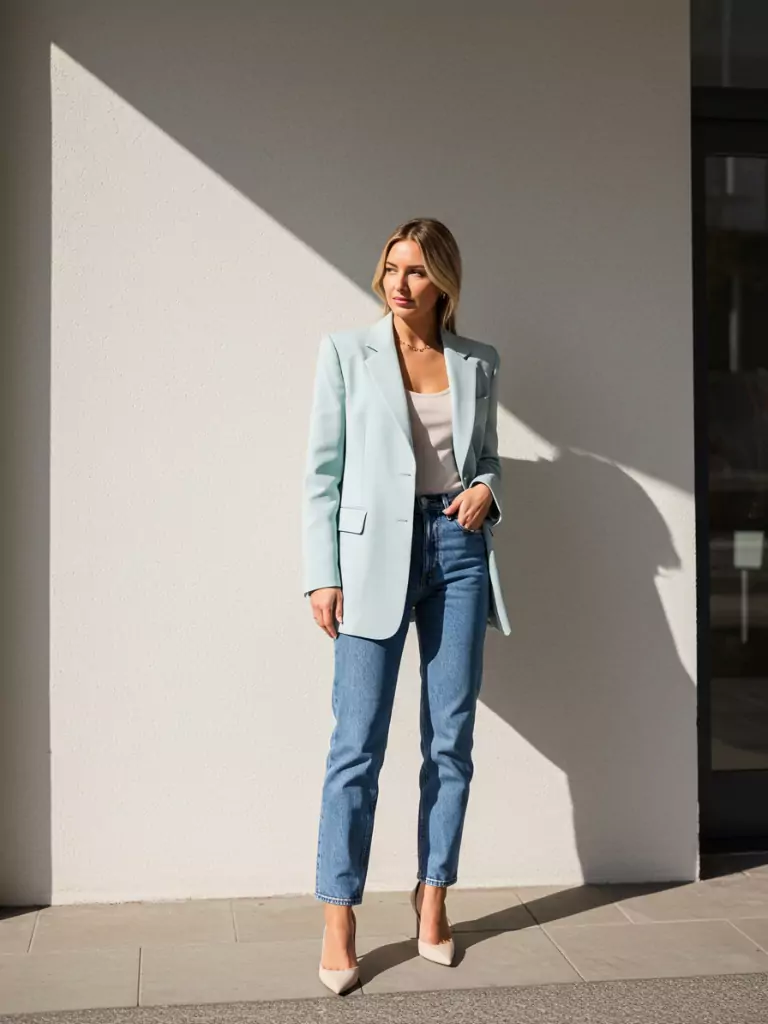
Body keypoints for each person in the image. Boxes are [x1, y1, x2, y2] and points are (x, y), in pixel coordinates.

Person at [302, 217, 511, 994]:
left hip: (458, 551)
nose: (399, 283)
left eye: (417, 272)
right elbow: (321, 472)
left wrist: (489, 489)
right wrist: (322, 574)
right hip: (368, 558)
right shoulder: (344, 354)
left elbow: (484, 456)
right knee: (356, 743)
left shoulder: (477, 363)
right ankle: (339, 912)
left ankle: (432, 897)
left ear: (444, 284)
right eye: (392, 267)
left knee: (450, 739)